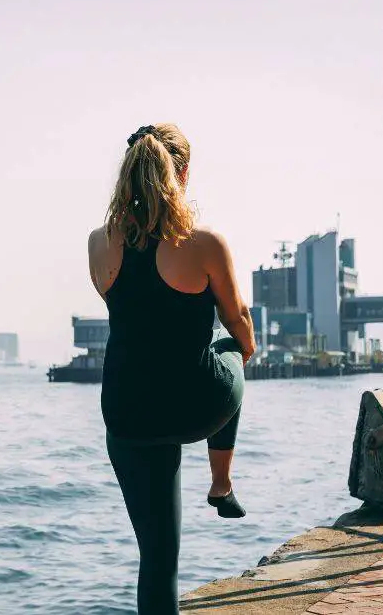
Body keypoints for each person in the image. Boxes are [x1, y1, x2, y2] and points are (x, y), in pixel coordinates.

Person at [87, 123, 257, 613]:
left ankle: (220, 484)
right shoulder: (203, 243)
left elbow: (130, 311)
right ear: (182, 172)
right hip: (197, 407)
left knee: (158, 560)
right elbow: (237, 318)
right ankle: (221, 480)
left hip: (128, 415)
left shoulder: (100, 243)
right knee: (231, 348)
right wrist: (245, 348)